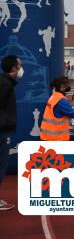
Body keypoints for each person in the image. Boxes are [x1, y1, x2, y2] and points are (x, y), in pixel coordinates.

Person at [0, 55, 22, 211]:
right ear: (14, 68)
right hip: (2, 130)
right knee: (1, 165)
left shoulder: (6, 82)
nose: (21, 69)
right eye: (20, 65)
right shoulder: (5, 84)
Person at [40, 76, 74, 142]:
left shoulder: (54, 96)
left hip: (48, 136)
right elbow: (72, 112)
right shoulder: (61, 100)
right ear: (62, 86)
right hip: (56, 137)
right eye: (67, 85)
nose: (69, 86)